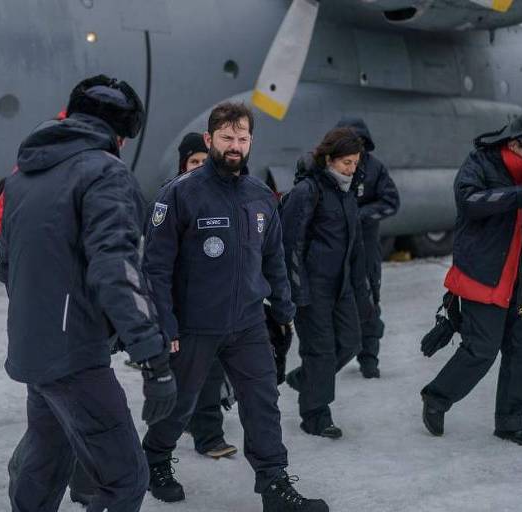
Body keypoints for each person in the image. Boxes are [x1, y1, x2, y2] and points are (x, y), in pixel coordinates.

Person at [0, 75, 177, 512]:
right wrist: (153, 358)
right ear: (120, 133)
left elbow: (6, 265)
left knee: (44, 463)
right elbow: (117, 268)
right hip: (76, 358)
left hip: (34, 352)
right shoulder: (106, 173)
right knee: (125, 480)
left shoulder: (21, 179)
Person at [142, 102, 328, 512]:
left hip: (247, 324)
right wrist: (166, 326)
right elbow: (155, 268)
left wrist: (283, 307)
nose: (235, 146)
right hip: (194, 326)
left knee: (262, 403)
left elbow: (274, 256)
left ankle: (274, 485)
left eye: (242, 138)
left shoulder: (260, 196)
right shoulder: (180, 195)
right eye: (226, 138)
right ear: (209, 140)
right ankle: (155, 458)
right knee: (181, 403)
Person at [420, 111, 522, 448]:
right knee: (481, 349)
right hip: (485, 274)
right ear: (514, 142)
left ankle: (512, 422)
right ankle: (437, 398)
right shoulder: (480, 164)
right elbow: (469, 202)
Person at [281, 128, 374, 439]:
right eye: (346, 163)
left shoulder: (347, 193)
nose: (351, 169)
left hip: (342, 286)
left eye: (355, 163)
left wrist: (363, 291)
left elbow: (356, 245)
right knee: (320, 351)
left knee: (351, 342)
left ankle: (305, 379)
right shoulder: (308, 191)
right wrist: (298, 292)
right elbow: (290, 244)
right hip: (313, 287)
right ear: (329, 160)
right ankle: (315, 416)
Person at [174, 132, 239, 459]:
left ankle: (209, 436)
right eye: (193, 161)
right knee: (185, 375)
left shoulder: (223, 197)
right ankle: (176, 429)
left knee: (210, 372)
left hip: (214, 305)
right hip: (180, 307)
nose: (200, 167)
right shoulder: (169, 200)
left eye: (204, 161)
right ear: (184, 164)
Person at [335, 117, 400, 379]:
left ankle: (369, 357)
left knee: (370, 301)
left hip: (366, 248)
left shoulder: (375, 169)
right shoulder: (330, 168)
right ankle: (336, 354)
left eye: (359, 143)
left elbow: (391, 202)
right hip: (335, 249)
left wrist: (359, 215)